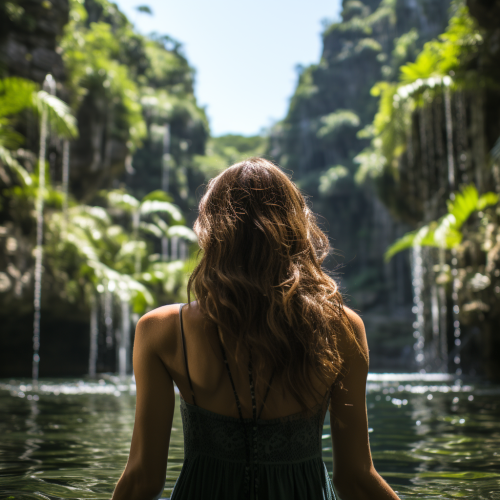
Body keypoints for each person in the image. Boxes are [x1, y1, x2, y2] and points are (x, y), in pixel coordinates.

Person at [111, 158, 401, 500]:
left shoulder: (162, 331)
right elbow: (355, 479)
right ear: (296, 230)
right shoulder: (341, 328)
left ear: (212, 232)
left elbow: (143, 479)